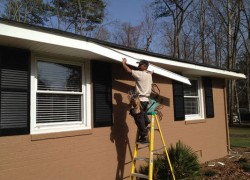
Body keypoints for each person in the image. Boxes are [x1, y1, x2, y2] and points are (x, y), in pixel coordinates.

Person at [122, 58, 153, 143]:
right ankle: (146, 120)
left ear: (144, 66)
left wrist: (124, 63)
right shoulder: (149, 75)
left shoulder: (140, 74)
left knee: (138, 117)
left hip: (140, 100)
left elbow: (128, 70)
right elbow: (149, 77)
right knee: (140, 114)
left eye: (140, 65)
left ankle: (144, 135)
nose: (138, 66)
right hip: (146, 100)